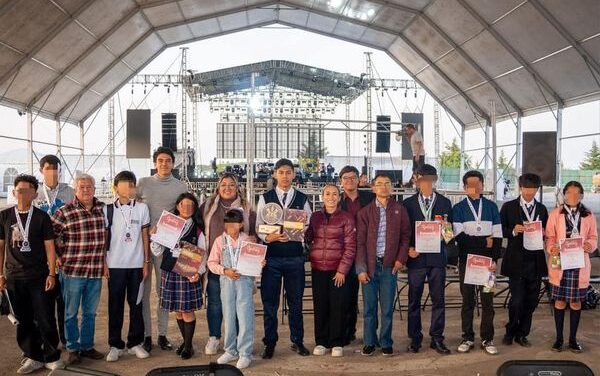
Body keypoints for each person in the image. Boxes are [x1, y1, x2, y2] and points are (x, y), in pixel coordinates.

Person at [8, 155, 74, 349]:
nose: (52, 171)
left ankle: (65, 342)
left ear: (60, 170)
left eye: (56, 168)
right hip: (38, 257)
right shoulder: (32, 193)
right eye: (48, 168)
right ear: (41, 170)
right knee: (40, 307)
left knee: (64, 304)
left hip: (64, 255)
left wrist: (60, 257)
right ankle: (37, 346)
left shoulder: (69, 192)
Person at [0, 175, 64, 374]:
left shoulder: (41, 217)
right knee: (23, 319)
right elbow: (0, 248)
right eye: (19, 190)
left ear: (35, 194)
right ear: (13, 192)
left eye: (28, 190)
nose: (23, 193)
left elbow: (50, 247)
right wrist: (0, 275)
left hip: (39, 276)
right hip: (13, 277)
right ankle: (33, 356)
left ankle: (52, 356)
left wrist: (52, 274)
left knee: (45, 317)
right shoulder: (5, 216)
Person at [256, 158, 312, 359]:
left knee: (296, 303)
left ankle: (297, 341)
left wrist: (299, 233)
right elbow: (258, 226)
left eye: (289, 172)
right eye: (281, 172)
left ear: (294, 175)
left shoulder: (302, 198)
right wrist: (267, 237)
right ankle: (269, 343)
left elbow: (308, 224)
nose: (285, 176)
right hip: (271, 259)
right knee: (270, 304)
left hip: (295, 257)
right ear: (274, 174)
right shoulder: (265, 197)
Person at [137, 147, 188, 352]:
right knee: (145, 291)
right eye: (160, 160)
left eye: (168, 160)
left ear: (173, 163)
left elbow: (186, 211)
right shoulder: (143, 183)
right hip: (143, 246)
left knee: (163, 292)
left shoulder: (180, 186)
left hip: (167, 247)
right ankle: (146, 335)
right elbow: (134, 208)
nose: (164, 164)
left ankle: (162, 334)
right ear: (155, 162)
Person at [52, 174, 106, 365]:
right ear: (75, 190)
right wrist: (58, 257)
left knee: (90, 313)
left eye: (89, 187)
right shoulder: (64, 212)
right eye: (81, 187)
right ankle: (73, 348)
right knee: (71, 313)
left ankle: (87, 346)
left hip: (94, 272)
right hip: (73, 271)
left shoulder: (101, 209)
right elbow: (51, 237)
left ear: (94, 189)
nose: (85, 190)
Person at [200, 172, 256, 355]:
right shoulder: (208, 205)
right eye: (224, 184)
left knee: (240, 305)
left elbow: (255, 232)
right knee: (215, 303)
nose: (227, 188)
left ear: (237, 187)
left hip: (240, 267)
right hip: (217, 262)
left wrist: (254, 246)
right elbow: (196, 225)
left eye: (231, 184)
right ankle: (215, 337)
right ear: (218, 186)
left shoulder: (247, 208)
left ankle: (239, 341)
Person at [356, 173, 410, 357]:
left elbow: (405, 237)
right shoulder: (364, 213)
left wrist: (400, 260)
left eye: (387, 183)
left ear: (391, 187)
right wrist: (361, 269)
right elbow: (360, 243)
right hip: (370, 266)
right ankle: (369, 341)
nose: (384, 187)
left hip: (389, 266)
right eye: (379, 184)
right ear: (373, 188)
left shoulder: (400, 210)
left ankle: (386, 341)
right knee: (369, 308)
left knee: (387, 308)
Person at [403, 164, 452, 355]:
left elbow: (450, 234)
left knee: (438, 299)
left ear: (435, 180)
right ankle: (415, 338)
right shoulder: (407, 204)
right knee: (414, 300)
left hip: (437, 257)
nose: (426, 183)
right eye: (422, 179)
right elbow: (404, 231)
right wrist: (408, 249)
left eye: (430, 180)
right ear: (416, 179)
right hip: (416, 259)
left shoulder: (445, 203)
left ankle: (437, 338)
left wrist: (445, 229)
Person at [452, 170, 502, 355]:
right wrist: (483, 241)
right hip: (466, 262)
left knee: (487, 301)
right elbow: (460, 238)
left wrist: (494, 259)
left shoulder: (491, 207)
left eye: (477, 184)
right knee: (467, 301)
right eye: (470, 185)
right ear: (465, 188)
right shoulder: (457, 209)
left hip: (488, 264)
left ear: (482, 186)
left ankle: (488, 338)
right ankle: (467, 337)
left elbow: (497, 236)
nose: (474, 188)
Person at [104, 171, 151, 362]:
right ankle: (115, 345)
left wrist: (146, 262)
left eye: (132, 184)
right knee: (115, 306)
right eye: (125, 184)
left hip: (137, 265)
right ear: (115, 188)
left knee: (136, 304)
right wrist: (103, 263)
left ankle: (135, 343)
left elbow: (145, 236)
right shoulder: (107, 210)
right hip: (114, 265)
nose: (129, 188)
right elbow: (104, 239)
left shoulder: (142, 208)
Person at [545, 181, 597, 353]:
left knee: (575, 303)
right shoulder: (555, 214)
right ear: (564, 195)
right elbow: (549, 236)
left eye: (577, 194)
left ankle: (573, 339)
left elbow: (593, 237)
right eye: (569, 193)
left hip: (579, 264)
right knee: (559, 302)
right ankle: (559, 339)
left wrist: (590, 245)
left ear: (582, 195)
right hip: (561, 264)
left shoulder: (588, 215)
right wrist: (551, 247)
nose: (573, 196)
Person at [208, 209, 263, 369]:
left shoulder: (248, 240)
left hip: (244, 282)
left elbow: (256, 260)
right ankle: (230, 350)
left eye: (234, 224)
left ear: (241, 224)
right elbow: (212, 263)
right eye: (228, 224)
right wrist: (225, 271)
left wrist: (259, 263)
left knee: (245, 317)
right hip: (226, 282)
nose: (231, 227)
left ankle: (245, 353)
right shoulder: (220, 241)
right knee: (229, 316)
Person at [305, 184, 356, 357]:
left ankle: (337, 342)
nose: (331, 197)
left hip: (338, 269)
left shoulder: (347, 218)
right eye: (327, 194)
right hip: (318, 267)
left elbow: (350, 247)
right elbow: (309, 238)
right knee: (320, 306)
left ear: (339, 197)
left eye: (335, 194)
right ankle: (321, 342)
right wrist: (298, 231)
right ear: (322, 196)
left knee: (338, 306)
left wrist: (342, 270)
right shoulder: (315, 217)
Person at [500, 173, 548, 347]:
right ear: (520, 187)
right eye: (526, 188)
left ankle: (523, 333)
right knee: (517, 300)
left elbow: (547, 233)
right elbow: (500, 230)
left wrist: (543, 235)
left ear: (537, 189)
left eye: (533, 188)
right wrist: (513, 230)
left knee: (531, 301)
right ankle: (510, 330)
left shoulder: (542, 209)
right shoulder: (509, 207)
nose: (529, 192)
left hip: (535, 261)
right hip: (516, 260)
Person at [157, 192, 207, 359]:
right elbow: (156, 251)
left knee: (187, 311)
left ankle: (187, 346)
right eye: (183, 205)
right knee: (178, 311)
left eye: (190, 205)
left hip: (187, 274)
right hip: (170, 271)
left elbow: (203, 254)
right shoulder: (168, 224)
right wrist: (155, 236)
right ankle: (186, 344)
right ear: (177, 206)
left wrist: (198, 273)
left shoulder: (198, 229)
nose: (187, 208)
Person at [338, 165, 374, 344]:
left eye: (353, 177)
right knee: (347, 296)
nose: (349, 181)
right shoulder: (336, 201)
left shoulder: (370, 197)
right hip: (344, 254)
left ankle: (371, 335)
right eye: (346, 178)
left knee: (371, 298)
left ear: (359, 180)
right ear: (340, 181)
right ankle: (348, 332)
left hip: (368, 253)